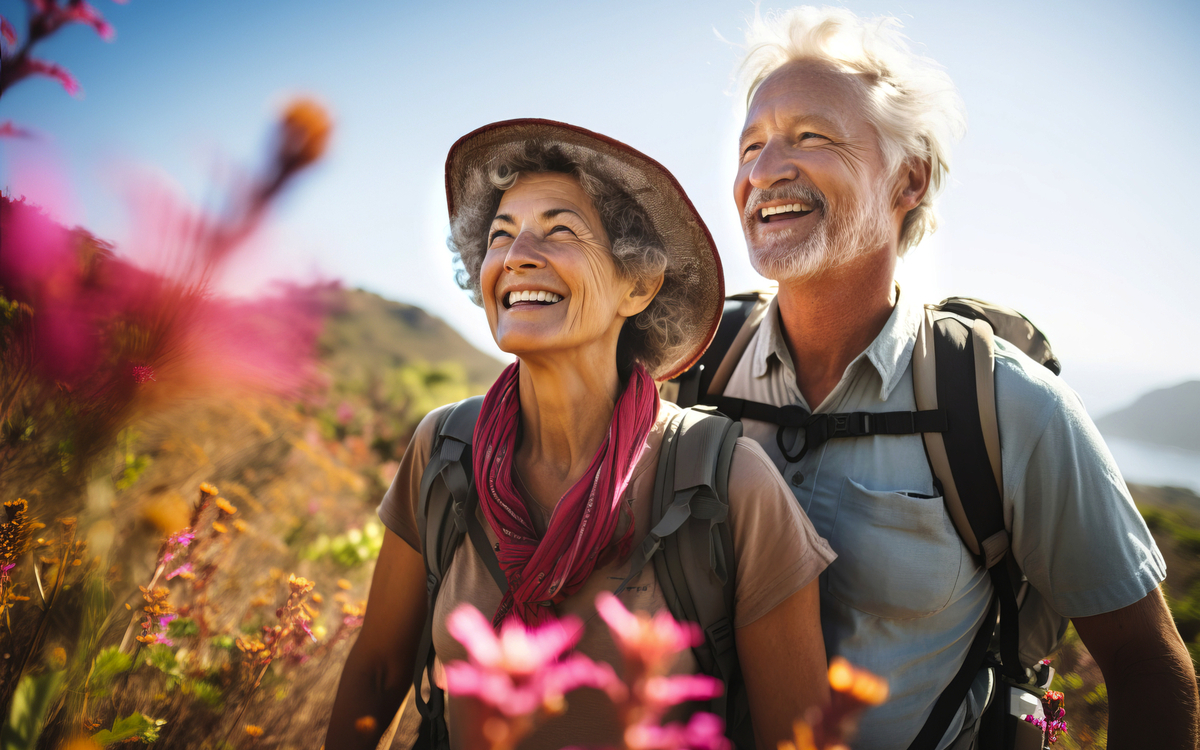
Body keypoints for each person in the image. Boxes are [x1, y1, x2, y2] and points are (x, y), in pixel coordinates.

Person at [698, 7, 1198, 750]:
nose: (764, 170)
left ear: (910, 178)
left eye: (809, 136)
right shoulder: (692, 370)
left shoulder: (1009, 407)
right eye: (752, 144)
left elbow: (1146, 664)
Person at [324, 120, 836, 750]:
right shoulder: (442, 450)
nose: (516, 257)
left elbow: (801, 741)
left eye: (559, 230)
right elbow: (377, 673)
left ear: (640, 284)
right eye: (499, 236)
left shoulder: (731, 485)